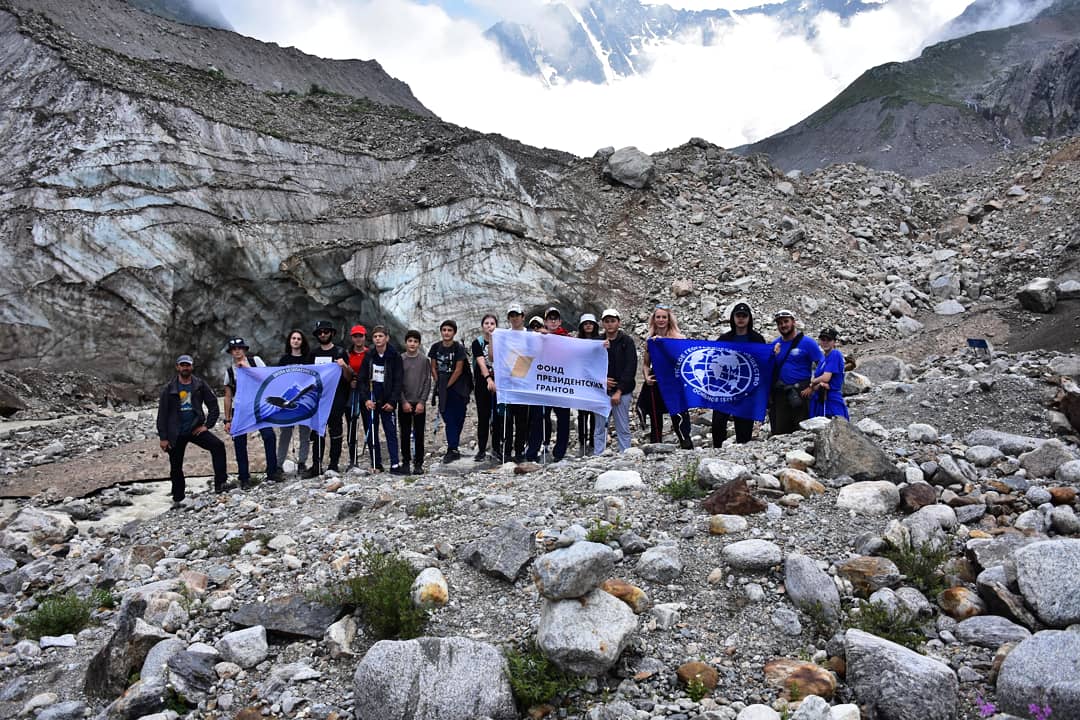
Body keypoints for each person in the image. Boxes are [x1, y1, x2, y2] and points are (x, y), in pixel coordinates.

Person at [157, 354, 227, 502]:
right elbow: (162, 414)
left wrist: (207, 425)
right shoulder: (169, 388)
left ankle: (221, 483)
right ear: (177, 367)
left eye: (187, 365)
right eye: (182, 365)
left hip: (195, 428)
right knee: (176, 466)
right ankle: (178, 497)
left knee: (218, 446)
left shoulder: (199, 385)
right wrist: (163, 437)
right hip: (175, 432)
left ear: (192, 367)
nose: (185, 368)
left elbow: (213, 405)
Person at [222, 337, 280, 487]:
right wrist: (227, 419)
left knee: (269, 436)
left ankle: (272, 472)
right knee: (240, 442)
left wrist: (247, 368)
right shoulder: (229, 372)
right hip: (241, 409)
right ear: (231, 352)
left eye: (240, 348)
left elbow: (266, 378)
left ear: (245, 350)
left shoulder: (256, 361)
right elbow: (228, 396)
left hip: (259, 406)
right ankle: (244, 477)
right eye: (234, 349)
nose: (237, 351)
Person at [712, 301, 767, 445]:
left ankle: (742, 457)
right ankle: (717, 452)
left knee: (744, 429)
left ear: (749, 318)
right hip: (725, 390)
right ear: (733, 317)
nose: (741, 318)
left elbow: (764, 363)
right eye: (738, 315)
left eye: (744, 315)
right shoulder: (724, 339)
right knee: (718, 424)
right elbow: (712, 358)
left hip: (746, 391)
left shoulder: (757, 339)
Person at [641, 305, 693, 449]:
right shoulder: (650, 340)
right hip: (657, 381)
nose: (661, 320)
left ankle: (686, 444)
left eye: (664, 317)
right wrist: (646, 377)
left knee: (679, 415)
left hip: (674, 383)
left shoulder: (678, 338)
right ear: (654, 319)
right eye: (658, 317)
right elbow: (646, 364)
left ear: (669, 319)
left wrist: (663, 344)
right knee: (655, 415)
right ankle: (656, 445)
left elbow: (682, 361)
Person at [305, 320, 353, 476]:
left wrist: (344, 366)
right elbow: (307, 377)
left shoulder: (340, 352)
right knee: (318, 431)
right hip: (318, 398)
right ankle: (316, 465)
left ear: (332, 333)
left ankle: (333, 464)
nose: (323, 334)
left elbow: (348, 378)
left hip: (336, 398)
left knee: (336, 430)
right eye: (320, 332)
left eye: (326, 331)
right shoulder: (312, 354)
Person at [769, 309, 824, 435]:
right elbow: (768, 369)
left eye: (786, 321)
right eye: (780, 323)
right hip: (780, 393)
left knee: (803, 432)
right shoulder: (774, 344)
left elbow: (821, 365)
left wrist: (813, 386)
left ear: (793, 322)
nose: (783, 325)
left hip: (801, 393)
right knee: (780, 433)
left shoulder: (808, 343)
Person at [527, 306, 572, 462]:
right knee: (538, 418)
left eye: (555, 318)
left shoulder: (567, 338)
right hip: (541, 385)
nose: (553, 321)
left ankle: (559, 452)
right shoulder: (536, 337)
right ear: (545, 321)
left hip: (561, 385)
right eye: (550, 318)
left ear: (559, 321)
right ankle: (533, 451)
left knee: (563, 418)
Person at [359, 326, 405, 473]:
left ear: (387, 338)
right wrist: (366, 399)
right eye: (375, 336)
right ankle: (376, 463)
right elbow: (362, 379)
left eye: (380, 336)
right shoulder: (369, 355)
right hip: (372, 400)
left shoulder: (394, 355)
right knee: (372, 432)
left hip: (387, 401)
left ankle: (394, 463)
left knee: (390, 431)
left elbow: (398, 380)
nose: (378, 339)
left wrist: (392, 401)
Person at [594, 308, 637, 454]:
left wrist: (619, 390)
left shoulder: (627, 341)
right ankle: (598, 455)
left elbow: (630, 367)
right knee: (599, 426)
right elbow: (589, 364)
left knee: (622, 425)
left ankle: (625, 454)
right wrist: (601, 380)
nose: (610, 324)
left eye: (612, 321)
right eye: (607, 321)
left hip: (622, 392)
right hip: (601, 391)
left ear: (618, 322)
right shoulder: (598, 342)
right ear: (602, 324)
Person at [428, 319, 471, 463]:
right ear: (441, 332)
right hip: (442, 384)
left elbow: (459, 369)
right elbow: (433, 366)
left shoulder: (458, 348)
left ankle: (454, 446)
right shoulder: (435, 347)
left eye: (449, 330)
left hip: (458, 387)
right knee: (448, 417)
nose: (446, 333)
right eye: (444, 330)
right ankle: (452, 448)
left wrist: (447, 385)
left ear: (454, 332)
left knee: (459, 417)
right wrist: (438, 382)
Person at [275, 329, 312, 474]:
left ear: (302, 342)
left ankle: (302, 462)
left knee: (304, 433)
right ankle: (279, 464)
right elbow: (277, 379)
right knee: (285, 433)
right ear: (289, 341)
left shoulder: (308, 359)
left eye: (298, 339)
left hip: (304, 400)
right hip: (287, 400)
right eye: (293, 338)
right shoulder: (284, 360)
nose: (296, 341)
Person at [399, 329, 432, 474]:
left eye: (415, 341)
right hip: (404, 402)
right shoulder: (400, 359)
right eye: (410, 341)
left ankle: (418, 463)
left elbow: (427, 381)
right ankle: (406, 461)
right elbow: (397, 382)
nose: (412, 344)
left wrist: (422, 401)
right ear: (406, 342)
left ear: (419, 343)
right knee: (404, 433)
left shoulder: (424, 360)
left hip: (418, 402)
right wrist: (403, 401)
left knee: (419, 434)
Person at [471, 314, 503, 462]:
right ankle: (482, 449)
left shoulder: (502, 341)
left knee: (498, 417)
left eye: (492, 323)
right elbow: (482, 363)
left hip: (500, 383)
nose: (489, 326)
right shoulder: (477, 343)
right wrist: (488, 379)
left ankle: (497, 447)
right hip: (483, 383)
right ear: (482, 326)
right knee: (483, 417)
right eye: (486, 323)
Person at [501, 305, 530, 463]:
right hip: (508, 382)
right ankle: (506, 450)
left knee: (521, 419)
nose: (514, 318)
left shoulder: (530, 335)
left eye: (517, 315)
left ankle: (519, 450)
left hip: (524, 381)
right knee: (507, 418)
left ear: (523, 316)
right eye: (511, 315)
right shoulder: (503, 336)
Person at [806, 327, 850, 420]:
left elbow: (826, 378)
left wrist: (813, 381)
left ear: (834, 342)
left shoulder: (835, 354)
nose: (825, 342)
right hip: (821, 397)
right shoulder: (823, 358)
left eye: (829, 340)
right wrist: (816, 385)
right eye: (823, 339)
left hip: (830, 398)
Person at [576, 313, 600, 456]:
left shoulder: (601, 340)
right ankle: (582, 443)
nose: (588, 325)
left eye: (591, 323)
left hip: (595, 383)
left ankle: (592, 443)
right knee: (582, 415)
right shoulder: (577, 342)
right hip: (581, 383)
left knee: (593, 414)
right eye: (586, 324)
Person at [346, 325, 368, 468]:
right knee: (352, 425)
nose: (358, 339)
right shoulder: (348, 354)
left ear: (365, 337)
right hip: (352, 392)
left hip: (365, 391)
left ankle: (373, 458)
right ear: (352, 338)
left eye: (360, 336)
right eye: (356, 336)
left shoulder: (370, 353)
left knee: (368, 424)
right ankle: (353, 459)